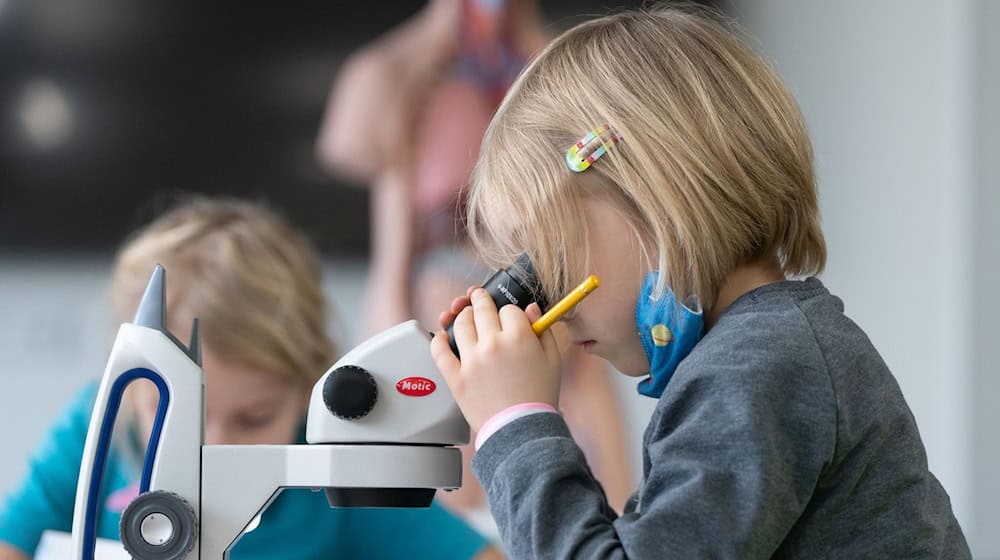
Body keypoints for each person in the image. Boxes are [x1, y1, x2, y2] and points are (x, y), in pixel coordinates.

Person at [430, 5, 971, 558]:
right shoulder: (760, 353)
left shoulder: (760, 365)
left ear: (652, 195)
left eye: (551, 252)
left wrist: (514, 422)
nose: (556, 305)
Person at [0, 197, 502, 560]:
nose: (214, 447)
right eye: (173, 416)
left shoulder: (336, 468)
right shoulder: (95, 431)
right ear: (129, 384)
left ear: (309, 390)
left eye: (254, 417)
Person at [315, 0, 634, 520]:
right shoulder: (404, 74)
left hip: (543, 267)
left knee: (578, 403)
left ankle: (623, 530)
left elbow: (607, 140)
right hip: (443, 269)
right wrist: (436, 34)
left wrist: (531, 40)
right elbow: (349, 145)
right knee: (445, 411)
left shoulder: (545, 63)